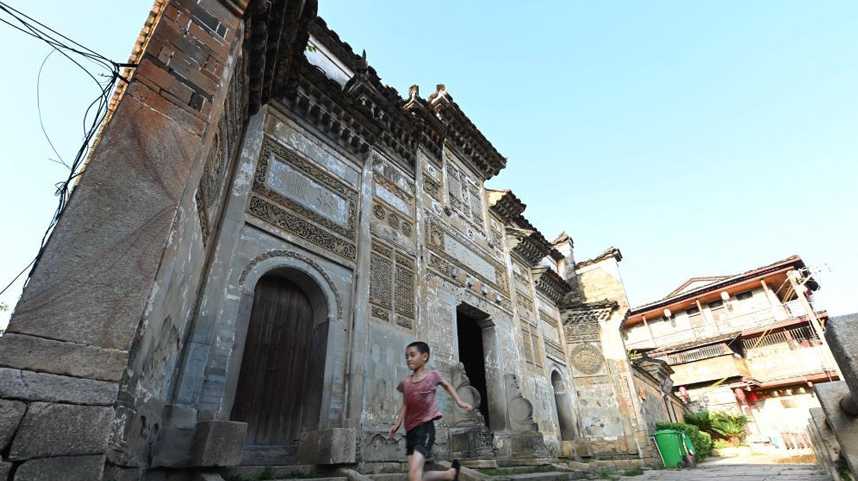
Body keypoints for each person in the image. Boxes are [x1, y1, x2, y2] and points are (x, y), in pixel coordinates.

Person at [388, 341, 473, 481]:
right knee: (415, 476)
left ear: (425, 356)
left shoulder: (433, 376)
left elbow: (446, 385)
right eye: (406, 356)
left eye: (412, 355)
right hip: (410, 431)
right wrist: (397, 423)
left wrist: (459, 401)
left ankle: (449, 474)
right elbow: (406, 404)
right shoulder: (406, 383)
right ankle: (449, 474)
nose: (409, 359)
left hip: (425, 429)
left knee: (414, 475)